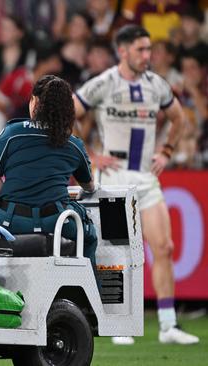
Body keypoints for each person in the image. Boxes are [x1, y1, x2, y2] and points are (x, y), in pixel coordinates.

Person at [73, 24, 199, 345]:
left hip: (144, 177)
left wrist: (167, 150)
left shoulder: (156, 85)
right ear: (123, 51)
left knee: (165, 248)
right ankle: (119, 325)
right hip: (113, 178)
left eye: (148, 49)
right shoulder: (104, 83)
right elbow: (69, 112)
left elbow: (179, 117)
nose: (148, 55)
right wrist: (89, 155)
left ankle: (169, 324)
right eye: (141, 50)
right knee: (117, 252)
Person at [0, 75, 98, 267]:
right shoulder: (73, 144)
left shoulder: (12, 133)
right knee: (90, 235)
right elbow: (89, 186)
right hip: (56, 221)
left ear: (35, 102)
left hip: (10, 221)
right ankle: (92, 295)